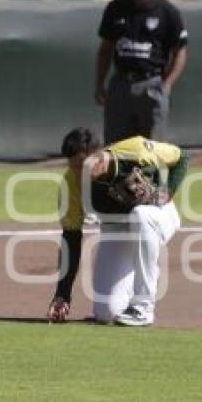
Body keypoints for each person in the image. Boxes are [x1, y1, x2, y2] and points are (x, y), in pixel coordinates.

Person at [46, 127, 190, 326]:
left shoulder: (135, 150)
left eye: (81, 165)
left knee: (141, 215)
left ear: (98, 155)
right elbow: (71, 238)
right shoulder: (71, 182)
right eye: (72, 166)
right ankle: (129, 292)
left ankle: (143, 307)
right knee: (106, 313)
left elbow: (182, 157)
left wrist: (167, 193)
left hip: (157, 215)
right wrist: (62, 294)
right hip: (116, 230)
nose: (78, 173)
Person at [94, 0, 188, 144]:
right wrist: (99, 83)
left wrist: (167, 84)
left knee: (151, 150)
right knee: (115, 148)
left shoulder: (168, 12)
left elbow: (180, 52)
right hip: (121, 83)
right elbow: (105, 49)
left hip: (151, 83)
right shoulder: (116, 8)